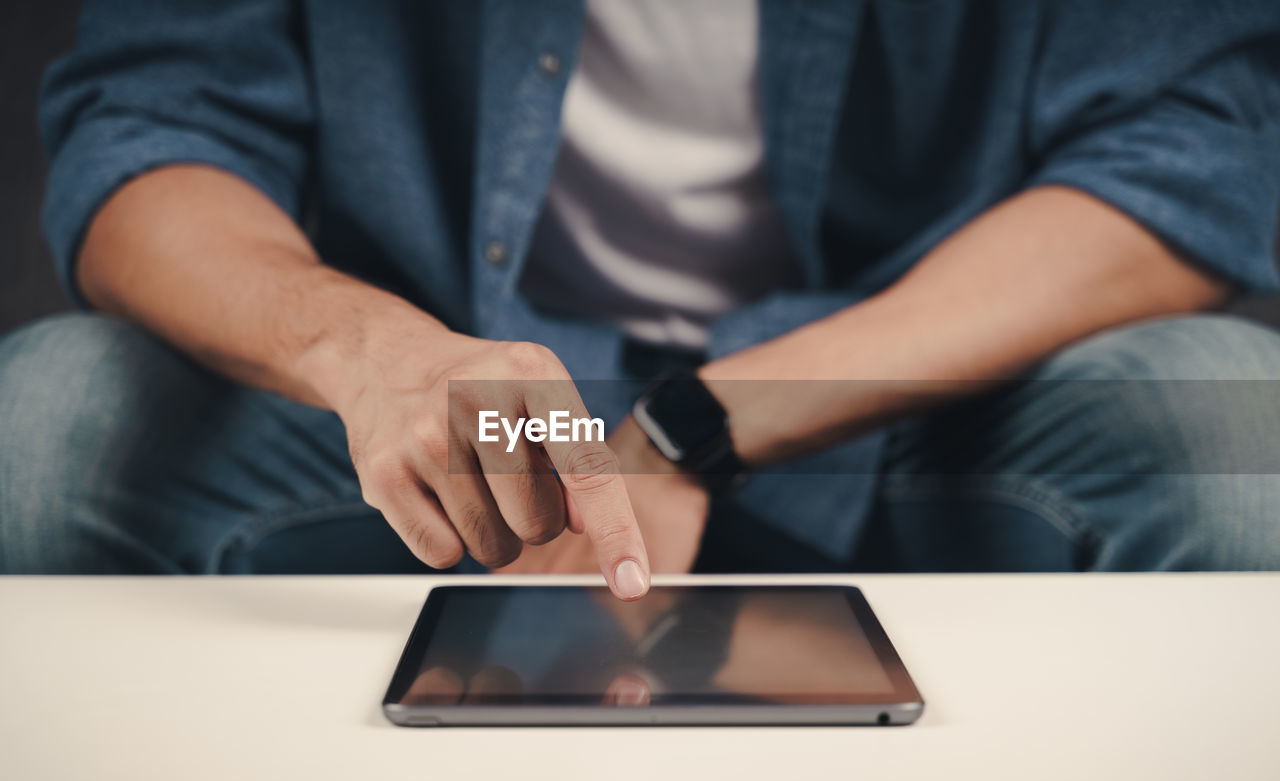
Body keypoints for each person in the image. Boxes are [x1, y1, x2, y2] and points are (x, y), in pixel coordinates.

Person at [3, 0, 1280, 584]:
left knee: (1243, 435)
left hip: (892, 415)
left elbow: (1191, 159)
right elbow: (151, 134)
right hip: (453, 443)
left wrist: (687, 431)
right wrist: (368, 354)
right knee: (42, 434)